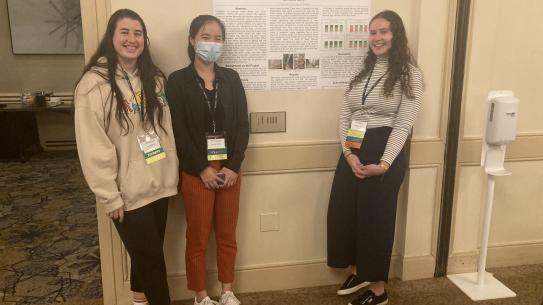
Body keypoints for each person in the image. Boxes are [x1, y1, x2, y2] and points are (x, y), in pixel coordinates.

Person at [74, 9, 178, 305]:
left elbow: (165, 131)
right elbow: (93, 144)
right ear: (111, 36)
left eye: (138, 33)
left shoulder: (155, 79)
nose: (132, 39)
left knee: (148, 254)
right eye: (125, 32)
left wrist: (173, 174)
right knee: (153, 263)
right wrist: (110, 194)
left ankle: (138, 301)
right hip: (127, 191)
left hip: (160, 182)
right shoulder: (94, 85)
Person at [327, 10, 424, 305]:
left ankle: (378, 290)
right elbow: (346, 114)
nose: (377, 38)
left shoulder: (409, 73)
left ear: (396, 35)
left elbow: (404, 123)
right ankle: (359, 271)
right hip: (353, 150)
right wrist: (347, 152)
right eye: (373, 32)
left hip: (385, 149)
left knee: (375, 221)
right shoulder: (364, 72)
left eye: (384, 31)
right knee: (345, 214)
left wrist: (383, 165)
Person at [166, 15, 249, 305]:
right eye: (205, 37)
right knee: (198, 238)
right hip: (196, 172)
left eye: (217, 38)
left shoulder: (232, 79)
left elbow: (242, 126)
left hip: (229, 171)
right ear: (192, 40)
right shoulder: (177, 81)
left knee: (227, 235)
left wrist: (233, 166)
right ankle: (201, 296)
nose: (211, 44)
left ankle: (227, 291)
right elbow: (178, 130)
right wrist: (201, 168)